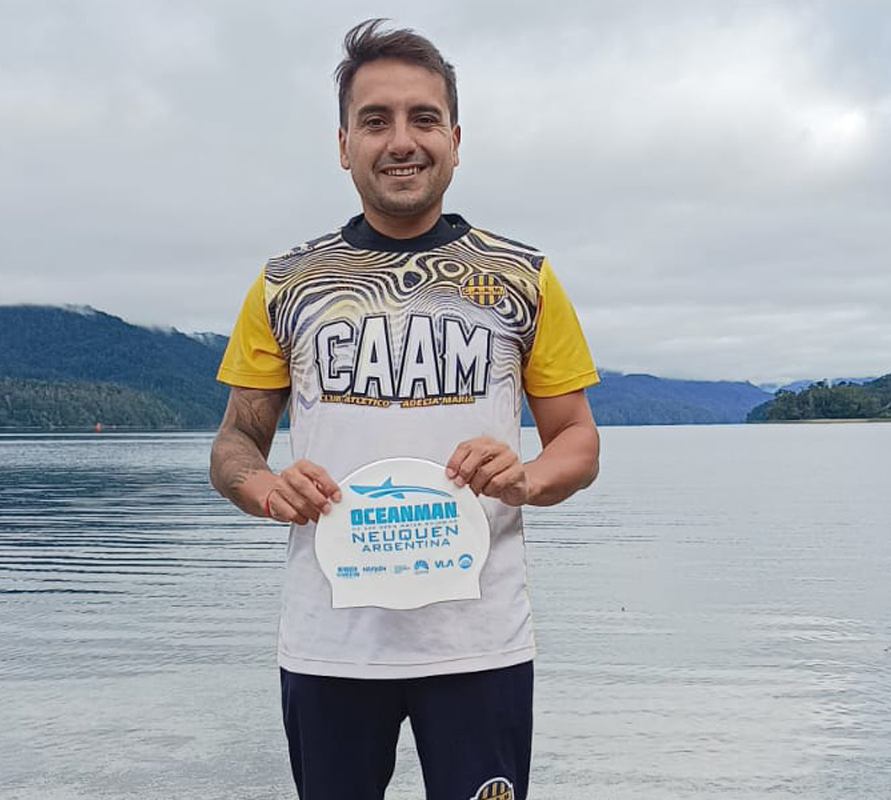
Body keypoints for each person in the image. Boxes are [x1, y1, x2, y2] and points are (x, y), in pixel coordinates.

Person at [210, 18, 600, 800]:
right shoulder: (287, 283)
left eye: (423, 118)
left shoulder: (523, 276)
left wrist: (524, 477)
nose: (401, 140)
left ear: (455, 138)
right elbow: (234, 447)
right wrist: (263, 487)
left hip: (479, 641)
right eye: (375, 120)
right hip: (332, 644)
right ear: (344, 143)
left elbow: (578, 443)